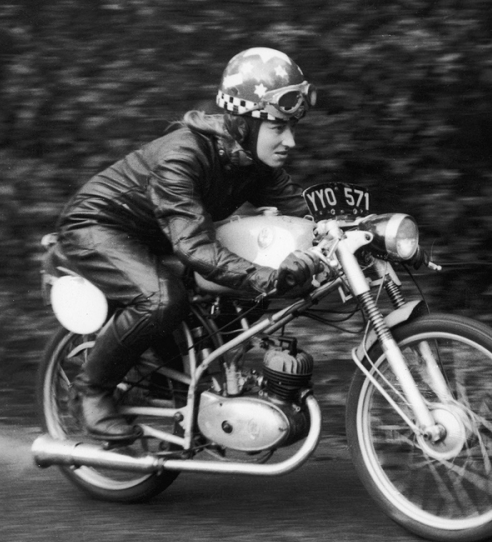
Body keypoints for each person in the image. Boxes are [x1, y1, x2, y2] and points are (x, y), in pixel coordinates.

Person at [56, 47, 320, 442]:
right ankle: (90, 391)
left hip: (153, 235)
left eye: (291, 128)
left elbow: (306, 213)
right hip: (98, 226)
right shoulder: (183, 156)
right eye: (278, 127)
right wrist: (267, 277)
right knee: (162, 300)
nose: (290, 141)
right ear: (244, 123)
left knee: (225, 301)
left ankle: (181, 390)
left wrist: (363, 232)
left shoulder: (257, 163)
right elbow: (194, 248)